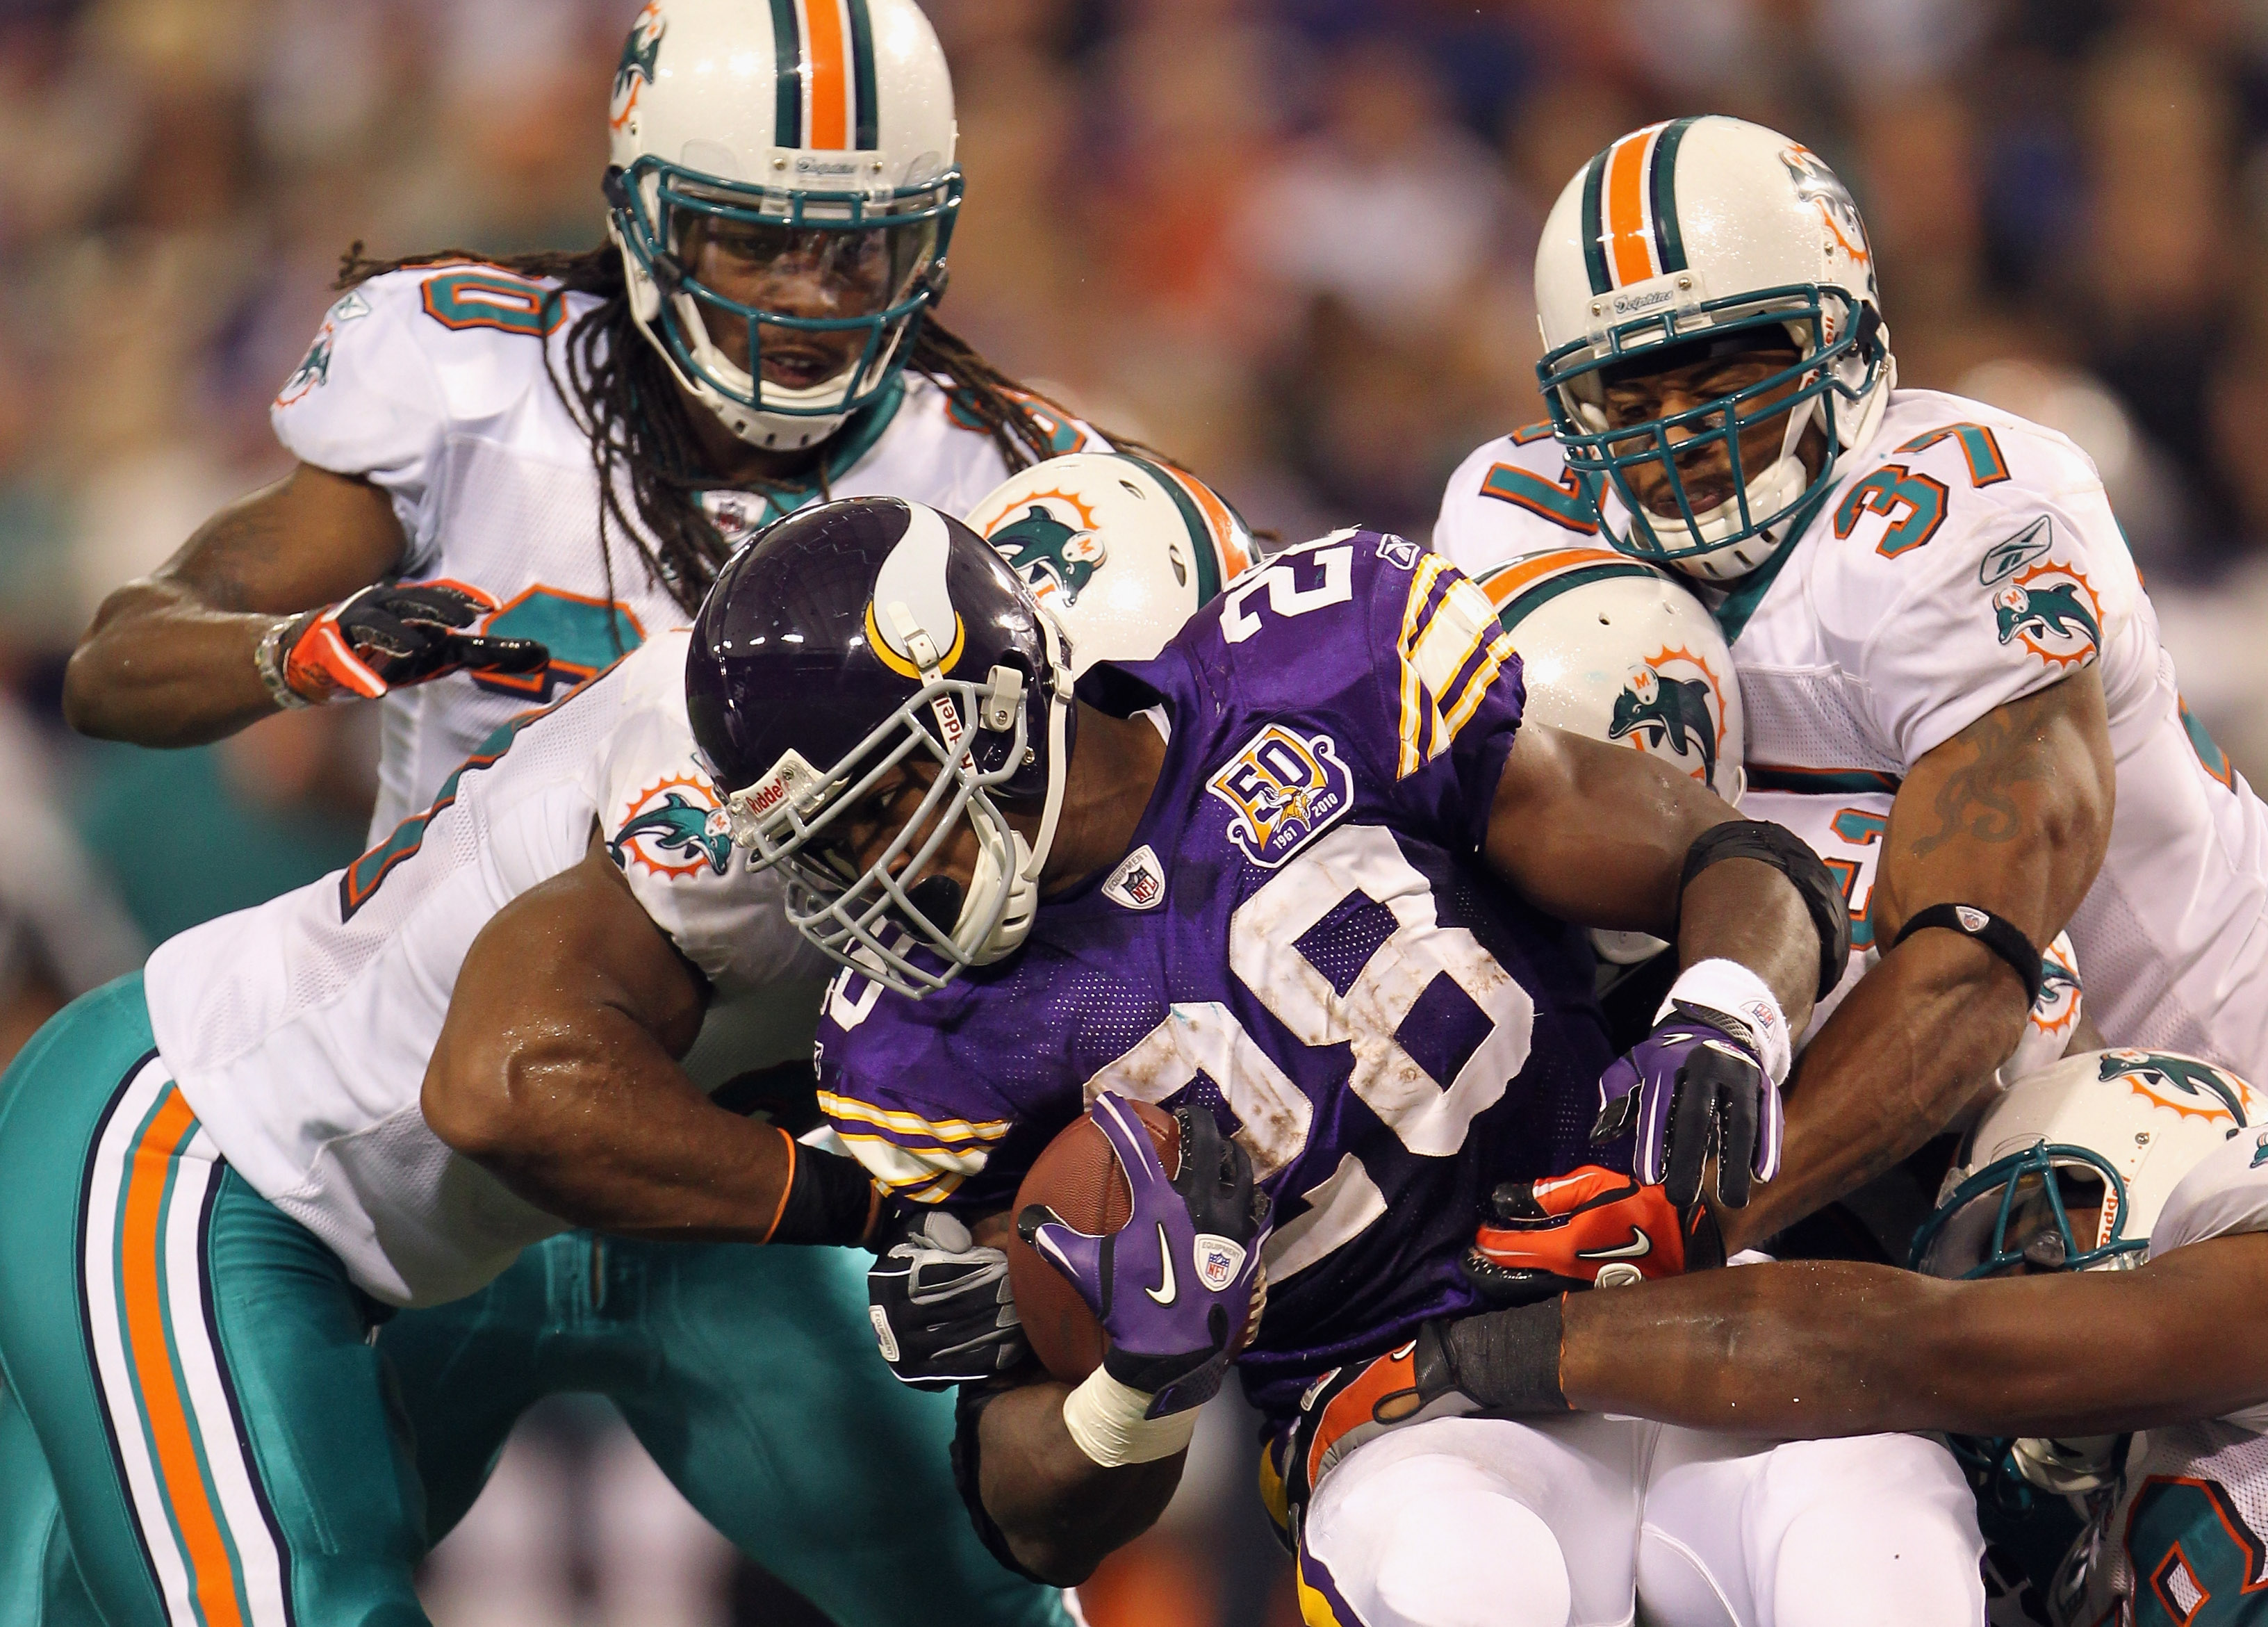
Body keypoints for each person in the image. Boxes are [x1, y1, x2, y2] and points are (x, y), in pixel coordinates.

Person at [50, 0, 1150, 1605]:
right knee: (131, 1577)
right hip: (421, 1123)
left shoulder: (1010, 477)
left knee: (989, 1592)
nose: (805, 298)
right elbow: (123, 657)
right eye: (753, 239)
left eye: (858, 249)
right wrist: (299, 649)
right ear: (640, 205)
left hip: (726, 1158)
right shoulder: (474, 371)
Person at [682, 496, 1994, 1626]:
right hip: (1401, 1422)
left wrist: (1719, 1016)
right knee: (1448, 1579)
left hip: (1663, 1301)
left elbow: (1723, 857)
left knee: (1876, 1516)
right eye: (825, 844)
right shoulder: (916, 1043)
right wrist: (1131, 1390)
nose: (865, 875)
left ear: (986, 705)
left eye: (874, 805)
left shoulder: (1319, 663)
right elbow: (1034, 1520)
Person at [0, 469, 1246, 1627]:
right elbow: (499, 1088)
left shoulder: (1114, 939)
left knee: (981, 1595)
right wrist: (873, 1206)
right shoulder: (741, 779)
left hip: (475, 1228)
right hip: (202, 1151)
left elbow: (1039, 1521)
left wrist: (1131, 1390)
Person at [1431, 115, 2268, 1262]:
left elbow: (1971, 970)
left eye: (1732, 362)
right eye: (1630, 386)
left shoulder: (1962, 520)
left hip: (2201, 1067)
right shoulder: (1516, 521)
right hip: (1919, 1130)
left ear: (1843, 337)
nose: (1681, 429)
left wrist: (1685, 1227)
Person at [1378, 1045, 2268, 1627]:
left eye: (2042, 1237)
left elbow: (1927, 1346)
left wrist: (1503, 1353)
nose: (2008, 1284)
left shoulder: (2234, 1236)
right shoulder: (2052, 1567)